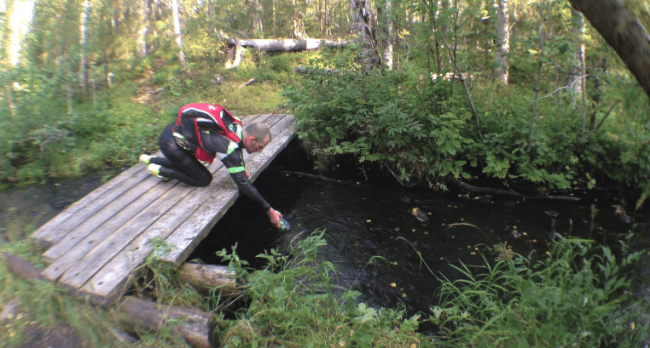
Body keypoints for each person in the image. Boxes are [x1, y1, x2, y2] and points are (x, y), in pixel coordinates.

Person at [139, 103, 289, 230]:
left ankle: (152, 159)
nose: (261, 151)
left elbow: (234, 152)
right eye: (260, 146)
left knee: (192, 166)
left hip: (171, 133)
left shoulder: (236, 125)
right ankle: (161, 170)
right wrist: (269, 210)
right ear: (251, 139)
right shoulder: (230, 149)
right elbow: (243, 185)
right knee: (204, 178)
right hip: (173, 146)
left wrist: (240, 167)